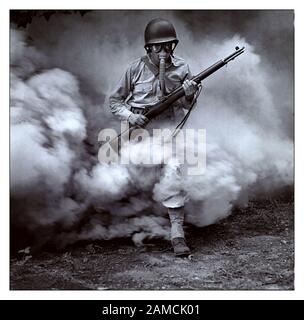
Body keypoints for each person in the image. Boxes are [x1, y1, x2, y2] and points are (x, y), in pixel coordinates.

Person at [109, 18, 198, 256]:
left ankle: (177, 232)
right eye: (157, 46)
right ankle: (119, 223)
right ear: (148, 47)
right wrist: (131, 116)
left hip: (169, 130)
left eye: (168, 45)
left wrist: (189, 95)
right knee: (115, 177)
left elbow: (186, 104)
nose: (163, 51)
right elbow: (115, 102)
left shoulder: (182, 68)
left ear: (174, 46)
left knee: (174, 170)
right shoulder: (134, 69)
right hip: (138, 131)